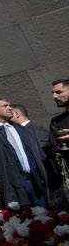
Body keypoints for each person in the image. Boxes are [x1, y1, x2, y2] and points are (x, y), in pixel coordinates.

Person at [0, 98, 48, 208]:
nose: (10, 108)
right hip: (9, 186)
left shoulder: (24, 129)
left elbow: (40, 154)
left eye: (10, 105)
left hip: (35, 184)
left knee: (43, 215)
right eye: (5, 106)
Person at [50, 79, 69, 209]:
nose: (54, 96)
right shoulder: (56, 121)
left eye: (59, 92)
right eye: (53, 93)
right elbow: (52, 147)